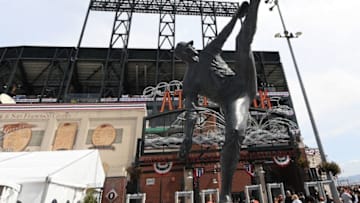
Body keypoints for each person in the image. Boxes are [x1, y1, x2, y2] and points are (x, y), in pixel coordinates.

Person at [174, 0, 261, 202]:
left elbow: (224, 34)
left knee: (242, 41)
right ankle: (226, 193)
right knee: (234, 132)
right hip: (234, 100)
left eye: (191, 48)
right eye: (188, 50)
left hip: (243, 82)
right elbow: (191, 111)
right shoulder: (189, 82)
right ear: (183, 55)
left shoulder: (208, 52)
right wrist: (187, 137)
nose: (193, 51)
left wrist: (237, 16)